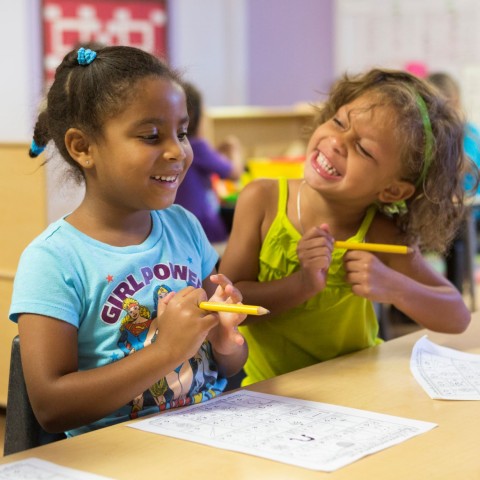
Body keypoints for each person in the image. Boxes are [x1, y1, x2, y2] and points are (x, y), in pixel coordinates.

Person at [9, 45, 248, 436]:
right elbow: (51, 407)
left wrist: (225, 338)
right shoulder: (54, 259)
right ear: (82, 147)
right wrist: (166, 351)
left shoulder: (184, 227)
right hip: (118, 455)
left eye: (182, 132)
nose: (177, 151)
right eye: (151, 136)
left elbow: (230, 366)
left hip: (210, 435)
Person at [219, 68, 473, 386]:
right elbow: (227, 300)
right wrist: (303, 284)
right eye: (339, 122)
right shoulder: (262, 200)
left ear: (392, 190)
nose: (337, 142)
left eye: (363, 148)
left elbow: (456, 317)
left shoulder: (380, 232)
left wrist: (393, 286)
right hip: (273, 394)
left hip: (358, 388)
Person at [426, 72, 480, 292]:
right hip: (431, 211)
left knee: (456, 237)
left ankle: (454, 292)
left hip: (467, 214)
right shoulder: (423, 135)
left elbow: (467, 174)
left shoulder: (470, 135)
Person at [175, 81, 244, 243]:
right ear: (194, 115)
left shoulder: (188, 147)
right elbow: (235, 173)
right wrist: (234, 147)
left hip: (183, 228)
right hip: (206, 229)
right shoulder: (197, 146)